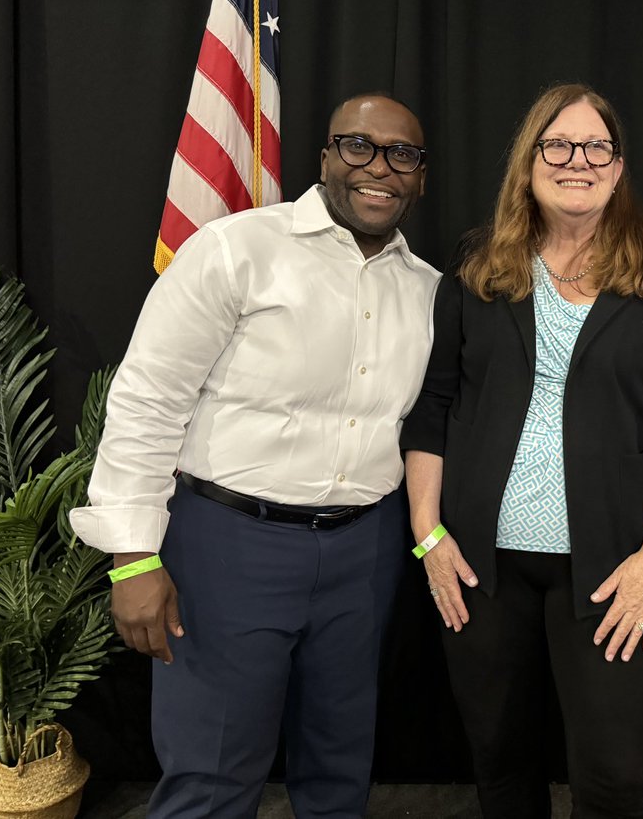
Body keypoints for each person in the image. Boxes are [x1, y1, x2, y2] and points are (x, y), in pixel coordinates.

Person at [69, 94, 439, 819]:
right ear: (325, 157)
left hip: (363, 552)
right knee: (212, 779)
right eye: (358, 146)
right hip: (229, 546)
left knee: (340, 769)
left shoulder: (428, 291)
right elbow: (148, 398)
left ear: (420, 178)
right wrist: (133, 556)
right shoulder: (236, 249)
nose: (379, 168)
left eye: (403, 155)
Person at [400, 83, 643, 819]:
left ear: (619, 165)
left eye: (597, 146)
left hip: (612, 569)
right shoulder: (478, 272)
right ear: (530, 162)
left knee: (611, 777)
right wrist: (428, 537)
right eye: (559, 145)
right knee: (501, 764)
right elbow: (433, 411)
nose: (579, 161)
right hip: (480, 564)